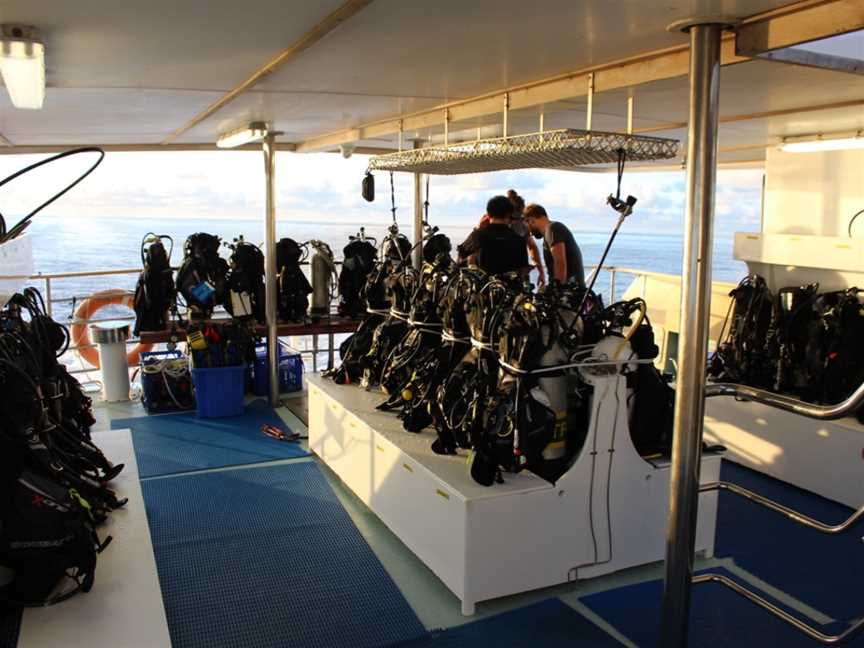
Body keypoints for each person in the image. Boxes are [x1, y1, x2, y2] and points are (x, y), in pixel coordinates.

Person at [457, 195, 529, 276]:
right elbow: (523, 269)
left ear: (488, 214)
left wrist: (478, 228)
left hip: (484, 286)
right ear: (509, 215)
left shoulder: (478, 236)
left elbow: (461, 254)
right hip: (510, 287)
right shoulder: (518, 240)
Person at [523, 203, 585, 287]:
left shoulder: (552, 229)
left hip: (569, 293)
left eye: (527, 225)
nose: (530, 232)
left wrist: (556, 290)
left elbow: (560, 262)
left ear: (531, 220)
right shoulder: (551, 231)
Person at [507, 190, 546, 287]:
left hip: (520, 274)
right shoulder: (500, 224)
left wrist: (540, 270)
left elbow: (532, 246)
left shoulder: (522, 225)